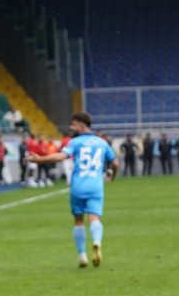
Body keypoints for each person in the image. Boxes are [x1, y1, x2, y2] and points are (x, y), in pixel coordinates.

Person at [28, 112, 118, 268]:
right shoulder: (102, 142)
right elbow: (115, 163)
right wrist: (112, 176)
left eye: (74, 124)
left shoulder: (74, 142)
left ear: (82, 124)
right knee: (94, 218)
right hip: (95, 186)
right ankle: (96, 241)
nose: (71, 127)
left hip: (78, 186)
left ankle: (82, 255)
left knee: (78, 220)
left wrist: (40, 159)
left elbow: (61, 157)